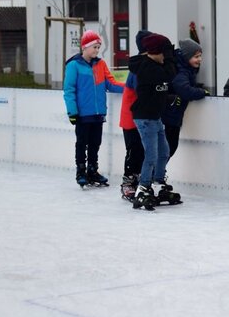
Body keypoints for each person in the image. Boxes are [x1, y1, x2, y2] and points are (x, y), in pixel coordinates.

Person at [63, 29, 124, 188]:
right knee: (82, 143)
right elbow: (69, 90)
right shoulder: (74, 65)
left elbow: (110, 84)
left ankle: (92, 170)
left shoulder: (101, 64)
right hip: (82, 114)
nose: (97, 50)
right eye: (94, 47)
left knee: (95, 143)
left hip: (98, 113)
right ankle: (81, 171)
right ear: (84, 47)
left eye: (98, 47)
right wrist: (72, 112)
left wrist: (129, 87)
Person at [128, 33, 180, 210]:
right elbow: (169, 75)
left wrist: (169, 98)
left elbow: (158, 90)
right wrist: (171, 58)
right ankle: (143, 188)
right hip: (144, 118)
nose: (167, 56)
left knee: (163, 152)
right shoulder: (147, 67)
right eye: (165, 52)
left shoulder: (155, 65)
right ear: (157, 52)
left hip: (155, 117)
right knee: (151, 155)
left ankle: (158, 184)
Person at [118, 29, 152, 201]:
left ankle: (138, 177)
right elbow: (142, 91)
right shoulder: (138, 68)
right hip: (131, 119)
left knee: (142, 150)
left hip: (141, 117)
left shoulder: (145, 65)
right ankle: (128, 181)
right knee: (134, 150)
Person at [163, 39, 209, 158]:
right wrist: (202, 92)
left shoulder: (186, 69)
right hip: (170, 116)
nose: (200, 59)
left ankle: (157, 173)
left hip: (172, 115)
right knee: (169, 147)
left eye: (200, 56)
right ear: (186, 56)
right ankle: (156, 174)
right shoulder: (182, 71)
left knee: (169, 148)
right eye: (196, 56)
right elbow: (184, 90)